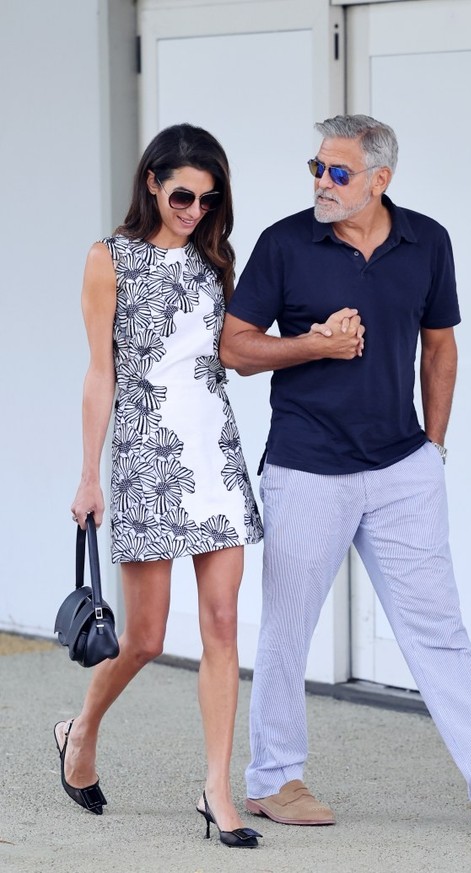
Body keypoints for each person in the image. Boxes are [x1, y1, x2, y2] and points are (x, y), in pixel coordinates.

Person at [218, 114, 471, 832]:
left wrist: (432, 449)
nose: (321, 182)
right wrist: (312, 343)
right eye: (315, 167)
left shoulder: (427, 242)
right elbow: (236, 348)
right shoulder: (285, 243)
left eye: (338, 172)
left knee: (438, 628)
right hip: (308, 466)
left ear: (381, 179)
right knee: (287, 629)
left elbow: (440, 348)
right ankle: (272, 780)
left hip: (403, 465)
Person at [56, 124, 263, 849]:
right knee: (142, 638)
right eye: (182, 194)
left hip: (217, 456)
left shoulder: (217, 261)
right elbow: (99, 372)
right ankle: (80, 731)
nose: (194, 209)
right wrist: (89, 473)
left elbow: (231, 353)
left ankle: (216, 788)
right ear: (151, 183)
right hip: (147, 461)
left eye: (208, 200)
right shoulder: (108, 258)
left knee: (224, 625)